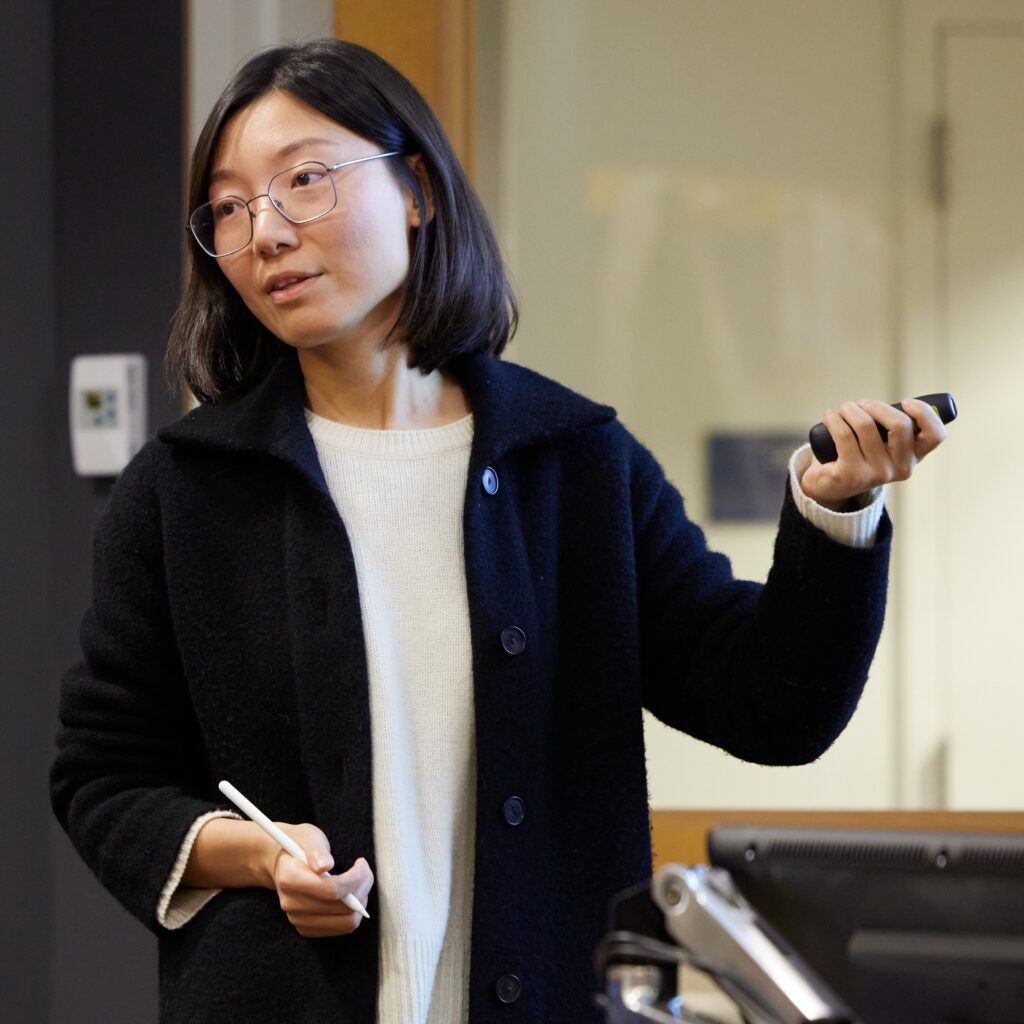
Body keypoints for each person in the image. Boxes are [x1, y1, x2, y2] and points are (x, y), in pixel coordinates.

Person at [50, 37, 946, 1024]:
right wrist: (254, 852)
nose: (263, 230)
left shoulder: (573, 462)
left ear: (418, 190)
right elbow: (104, 775)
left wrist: (834, 511)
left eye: (304, 180)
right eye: (228, 205)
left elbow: (772, 706)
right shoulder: (184, 491)